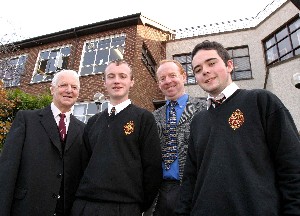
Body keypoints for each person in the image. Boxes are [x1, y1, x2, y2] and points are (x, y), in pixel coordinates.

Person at [175, 40, 300, 215]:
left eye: (211, 63)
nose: (205, 71)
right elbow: (190, 180)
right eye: (197, 69)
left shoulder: (261, 101)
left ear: (229, 65)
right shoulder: (198, 121)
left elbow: (292, 166)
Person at [71, 59, 162, 216]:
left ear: (131, 81)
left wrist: (139, 205)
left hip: (125, 207)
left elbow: (153, 167)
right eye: (111, 76)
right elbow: (82, 165)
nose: (117, 81)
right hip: (86, 205)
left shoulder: (143, 118)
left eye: (123, 76)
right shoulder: (93, 122)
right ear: (105, 82)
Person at [0, 69, 87, 216]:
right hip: (26, 208)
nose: (69, 90)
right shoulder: (26, 120)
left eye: (74, 87)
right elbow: (7, 169)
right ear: (52, 89)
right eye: (63, 85)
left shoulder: (84, 130)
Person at [144, 60, 206, 216]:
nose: (168, 81)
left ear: (183, 77)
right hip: (160, 193)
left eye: (172, 75)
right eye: (162, 78)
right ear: (158, 84)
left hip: (192, 190)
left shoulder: (203, 109)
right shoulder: (153, 117)